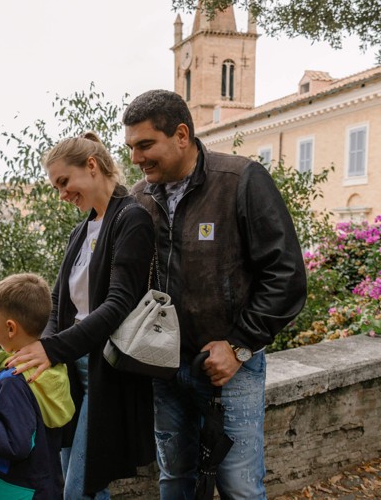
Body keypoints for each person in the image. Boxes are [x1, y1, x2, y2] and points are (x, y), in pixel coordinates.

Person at [122, 89, 307, 499]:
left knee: (239, 487)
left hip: (231, 370)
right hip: (164, 372)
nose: (136, 158)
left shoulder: (240, 180)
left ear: (182, 135)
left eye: (145, 145)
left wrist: (239, 346)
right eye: (131, 148)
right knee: (175, 481)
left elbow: (286, 275)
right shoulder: (137, 200)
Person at [8, 131, 156, 499]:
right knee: (76, 480)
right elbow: (60, 301)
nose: (61, 194)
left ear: (91, 166)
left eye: (64, 182)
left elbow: (119, 304)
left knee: (79, 487)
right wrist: (45, 349)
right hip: (74, 369)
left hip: (106, 370)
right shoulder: (82, 229)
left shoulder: (131, 218)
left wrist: (53, 349)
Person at [0, 273, 75, 499]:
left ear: (10, 328)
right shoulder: (54, 370)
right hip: (40, 487)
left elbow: (12, 443)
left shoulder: (13, 381)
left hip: (6, 490)